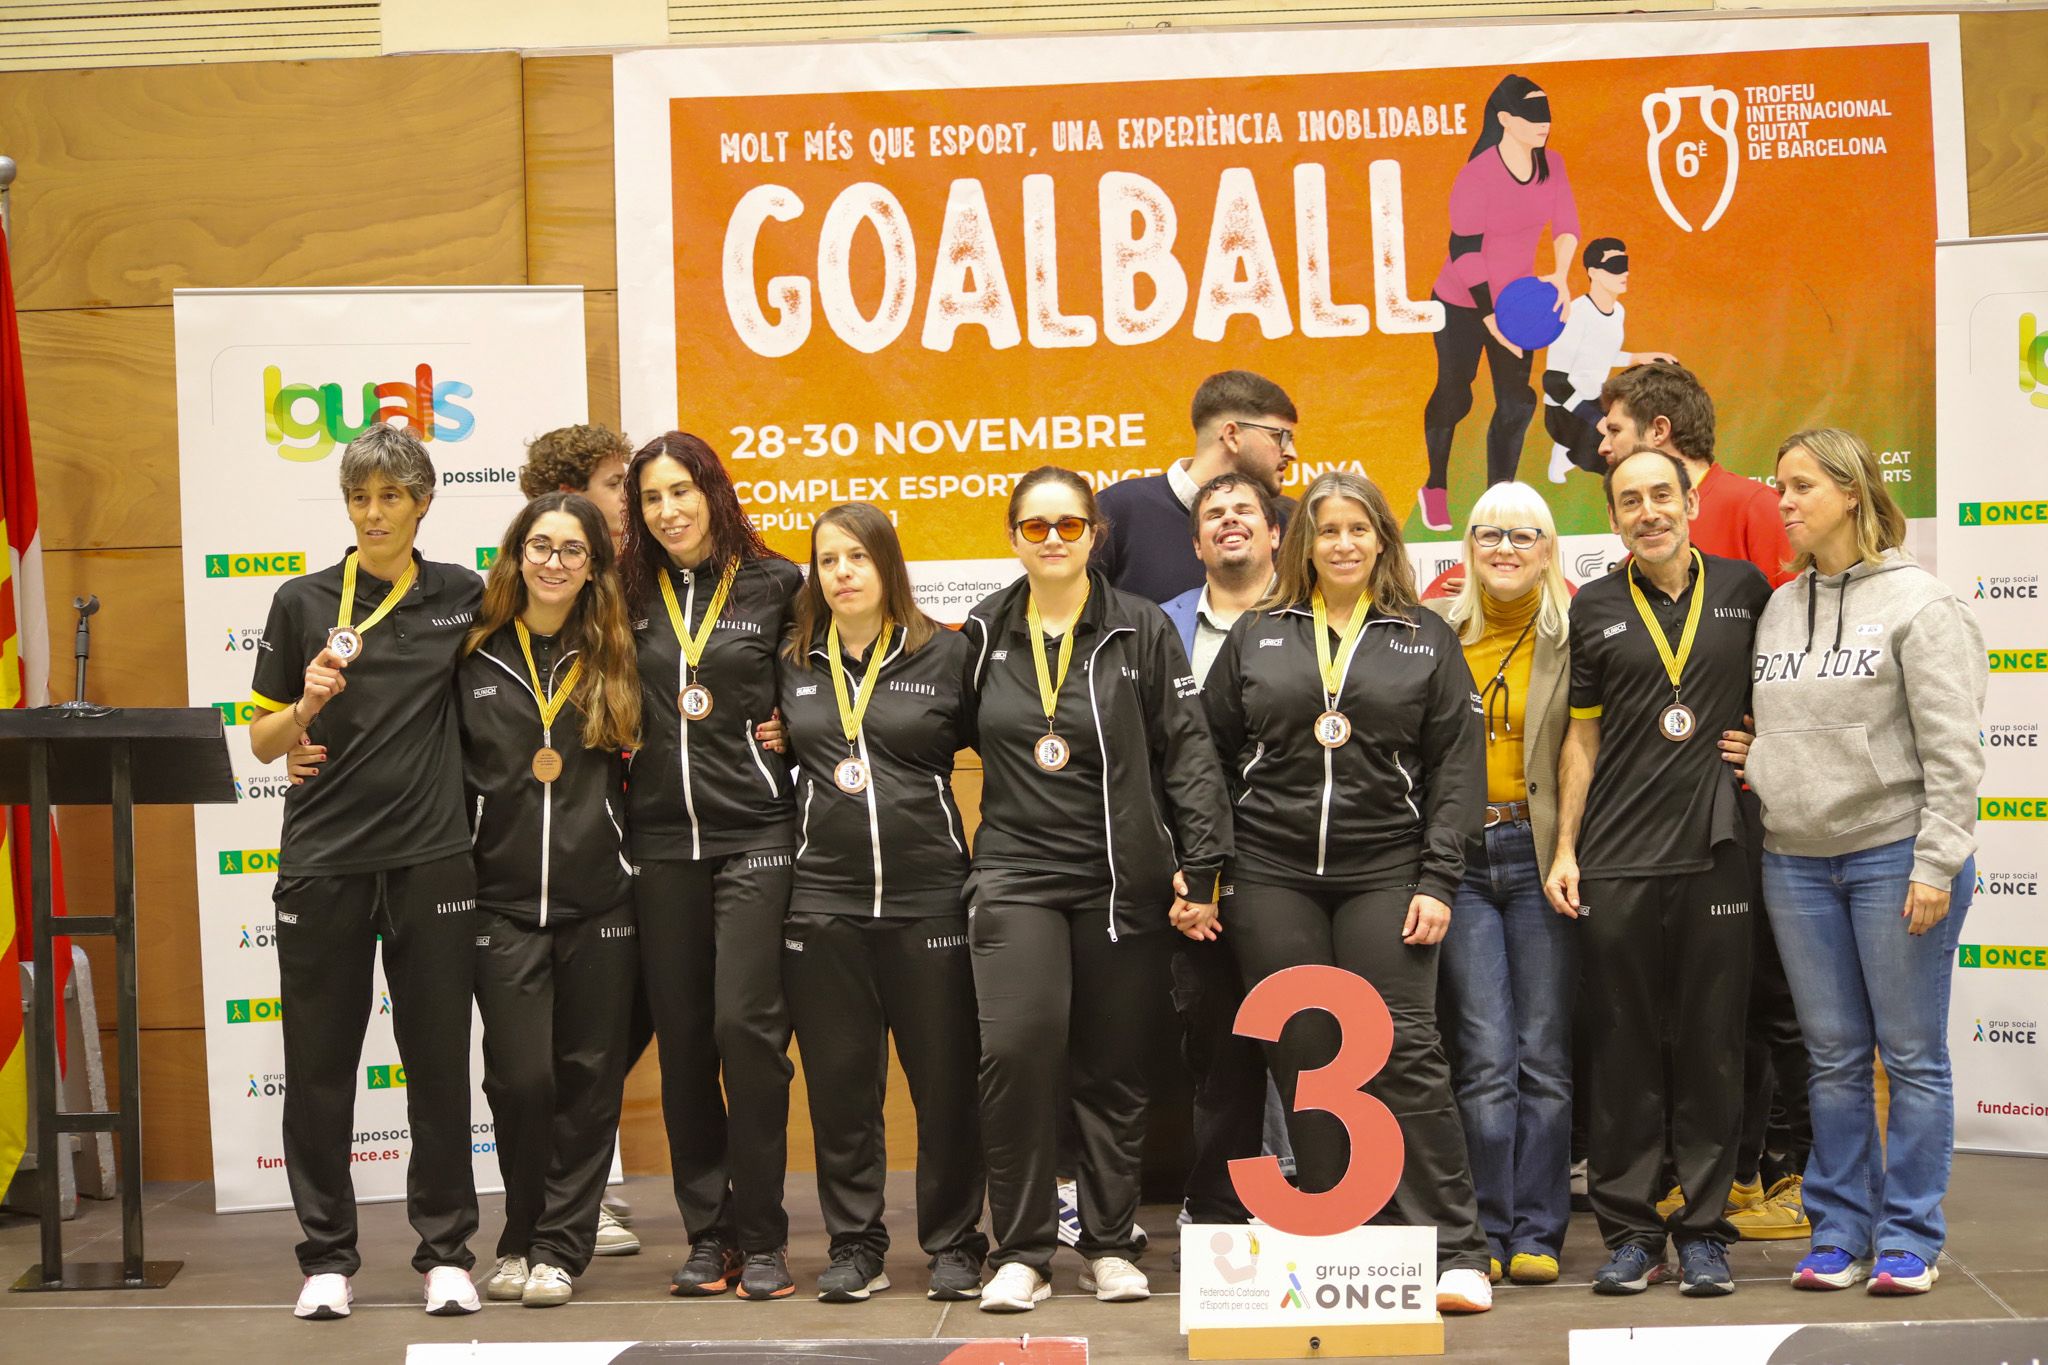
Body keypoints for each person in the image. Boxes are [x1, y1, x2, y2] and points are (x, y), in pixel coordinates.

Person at [1204, 470, 1495, 1314]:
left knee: (1404, 1049)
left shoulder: (1425, 636)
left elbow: (1455, 772)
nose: (1341, 544)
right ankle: (1343, 1240)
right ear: (1303, 543)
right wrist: (1212, 865)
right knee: (1302, 1047)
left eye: (1357, 530)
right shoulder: (1258, 633)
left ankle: (1455, 1249)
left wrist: (1440, 876)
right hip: (1272, 872)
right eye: (1326, 530)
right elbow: (1209, 755)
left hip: (1387, 870)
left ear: (1381, 542)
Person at [963, 466, 1231, 1313]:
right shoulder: (980, 631)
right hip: (1014, 875)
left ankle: (1111, 1243)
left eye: (1068, 525)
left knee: (1113, 1070)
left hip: (1120, 880)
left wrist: (1205, 862)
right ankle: (1023, 1250)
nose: (1051, 539)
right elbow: (913, 724)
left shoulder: (1141, 628)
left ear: (1094, 533)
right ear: (1012, 535)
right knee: (1017, 1053)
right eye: (1034, 526)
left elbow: (1187, 750)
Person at [245, 423, 485, 1321]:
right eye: (359, 497)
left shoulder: (462, 594)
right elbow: (265, 743)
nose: (374, 512)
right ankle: (326, 1258)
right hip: (324, 861)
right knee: (317, 1067)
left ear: (422, 502)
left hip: (432, 859)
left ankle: (446, 1253)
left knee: (436, 1063)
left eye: (390, 496)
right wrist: (304, 704)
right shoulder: (302, 601)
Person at [1746, 429, 1985, 1296]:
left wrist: (1936, 861)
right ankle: (1840, 1232)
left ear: (1851, 492)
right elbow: (1780, 725)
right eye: (1779, 486)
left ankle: (1910, 1236)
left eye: (1801, 485)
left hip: (1896, 857)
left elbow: (1955, 752)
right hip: (1797, 861)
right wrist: (1760, 755)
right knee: (1834, 1058)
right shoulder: (1779, 605)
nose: (1784, 500)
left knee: (1912, 1054)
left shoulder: (1922, 604)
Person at [1545, 448, 1773, 1297]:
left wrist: (1765, 744)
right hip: (1617, 856)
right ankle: (1633, 1232)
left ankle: (1705, 1232)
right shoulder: (1596, 606)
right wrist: (1567, 847)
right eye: (1630, 501)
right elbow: (1581, 738)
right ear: (1613, 518)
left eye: (1661, 496)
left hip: (1717, 852)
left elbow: (1792, 701)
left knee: (1714, 1044)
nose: (1648, 511)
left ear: (1688, 501)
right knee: (1624, 1049)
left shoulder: (1749, 590)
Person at [1597, 361, 1810, 1241]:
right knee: (1659, 1023)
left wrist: (1767, 737)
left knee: (1757, 1008)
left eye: (1613, 428)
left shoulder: (1754, 524)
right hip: (1640, 837)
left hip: (1735, 821)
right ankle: (1667, 1193)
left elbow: (1793, 654)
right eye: (1627, 500)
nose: (1601, 442)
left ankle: (1775, 1173)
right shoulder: (1609, 590)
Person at [775, 502, 989, 1304]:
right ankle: (855, 1246)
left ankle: (956, 1243)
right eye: (827, 560)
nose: (842, 573)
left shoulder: (948, 655)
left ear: (887, 565)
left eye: (857, 557)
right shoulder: (793, 660)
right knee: (841, 1090)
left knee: (945, 1087)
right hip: (823, 904)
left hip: (929, 901)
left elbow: (1002, 746)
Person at [622, 431, 805, 1300]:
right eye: (653, 498)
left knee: (747, 1031)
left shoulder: (775, 582)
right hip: (659, 842)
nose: (670, 512)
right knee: (687, 1045)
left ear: (712, 492)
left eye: (682, 492)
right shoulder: (624, 592)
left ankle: (764, 1234)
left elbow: (819, 689)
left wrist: (790, 736)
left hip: (757, 833)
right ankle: (710, 1233)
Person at [457, 493, 642, 1308]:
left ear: (595, 564)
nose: (555, 562)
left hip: (602, 898)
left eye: (573, 549)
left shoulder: (617, 651)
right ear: (515, 553)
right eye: (541, 545)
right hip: (499, 902)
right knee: (522, 1079)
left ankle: (559, 1248)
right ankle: (519, 1230)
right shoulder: (473, 652)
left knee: (590, 1077)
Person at [1425, 481, 1575, 1286]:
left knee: (1543, 1052)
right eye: (1489, 535)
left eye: (1524, 536)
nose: (1506, 549)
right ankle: (1480, 1227)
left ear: (1549, 549)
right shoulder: (1434, 633)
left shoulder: (1573, 634)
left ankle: (1539, 1230)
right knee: (1483, 1052)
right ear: (1468, 549)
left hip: (1542, 854)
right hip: (1464, 860)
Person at [516, 421, 648, 1255]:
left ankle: (579, 1181)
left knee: (618, 1034)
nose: (629, 498)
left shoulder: (635, 587)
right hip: (543, 861)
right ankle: (575, 1199)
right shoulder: (525, 599)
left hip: (643, 844)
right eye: (613, 482)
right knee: (555, 1051)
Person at [1160, 473, 1288, 1231]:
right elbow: (1147, 758)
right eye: (1214, 514)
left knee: (1306, 1036)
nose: (1230, 522)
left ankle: (1311, 1195)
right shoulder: (1159, 626)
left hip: (1295, 869)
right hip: (1195, 881)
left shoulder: (1315, 617)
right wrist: (1183, 867)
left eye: (1247, 510)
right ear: (1196, 539)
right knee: (1222, 1049)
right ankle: (1219, 1212)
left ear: (1276, 533)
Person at [1420, 74, 1579, 531]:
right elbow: (1464, 250)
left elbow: (1566, 223)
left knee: (1516, 402)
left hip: (1519, 303)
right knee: (1455, 394)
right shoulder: (1477, 175)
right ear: (1506, 120)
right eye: (1532, 117)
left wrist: (1562, 277)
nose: (1543, 124)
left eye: (1546, 115)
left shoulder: (1552, 164)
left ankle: (1498, 503)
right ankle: (1435, 486)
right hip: (1463, 300)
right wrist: (1488, 317)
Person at [1093, 370, 1298, 602]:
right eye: (1279, 436)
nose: (1291, 453)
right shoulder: (1119, 509)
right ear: (1232, 435)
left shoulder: (1288, 521)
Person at [1543, 239, 1675, 482]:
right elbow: (1553, 382)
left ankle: (1572, 452)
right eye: (1615, 265)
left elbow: (1600, 353)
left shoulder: (1618, 312)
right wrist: (1596, 420)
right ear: (1593, 272)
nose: (1625, 272)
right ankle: (1567, 452)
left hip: (1597, 403)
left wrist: (1643, 358)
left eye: (1625, 264)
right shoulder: (1575, 314)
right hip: (1565, 412)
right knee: (1618, 464)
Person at [519, 423, 634, 553]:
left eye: (625, 483)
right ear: (568, 496)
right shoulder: (543, 568)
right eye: (613, 484)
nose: (627, 495)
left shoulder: (637, 564)